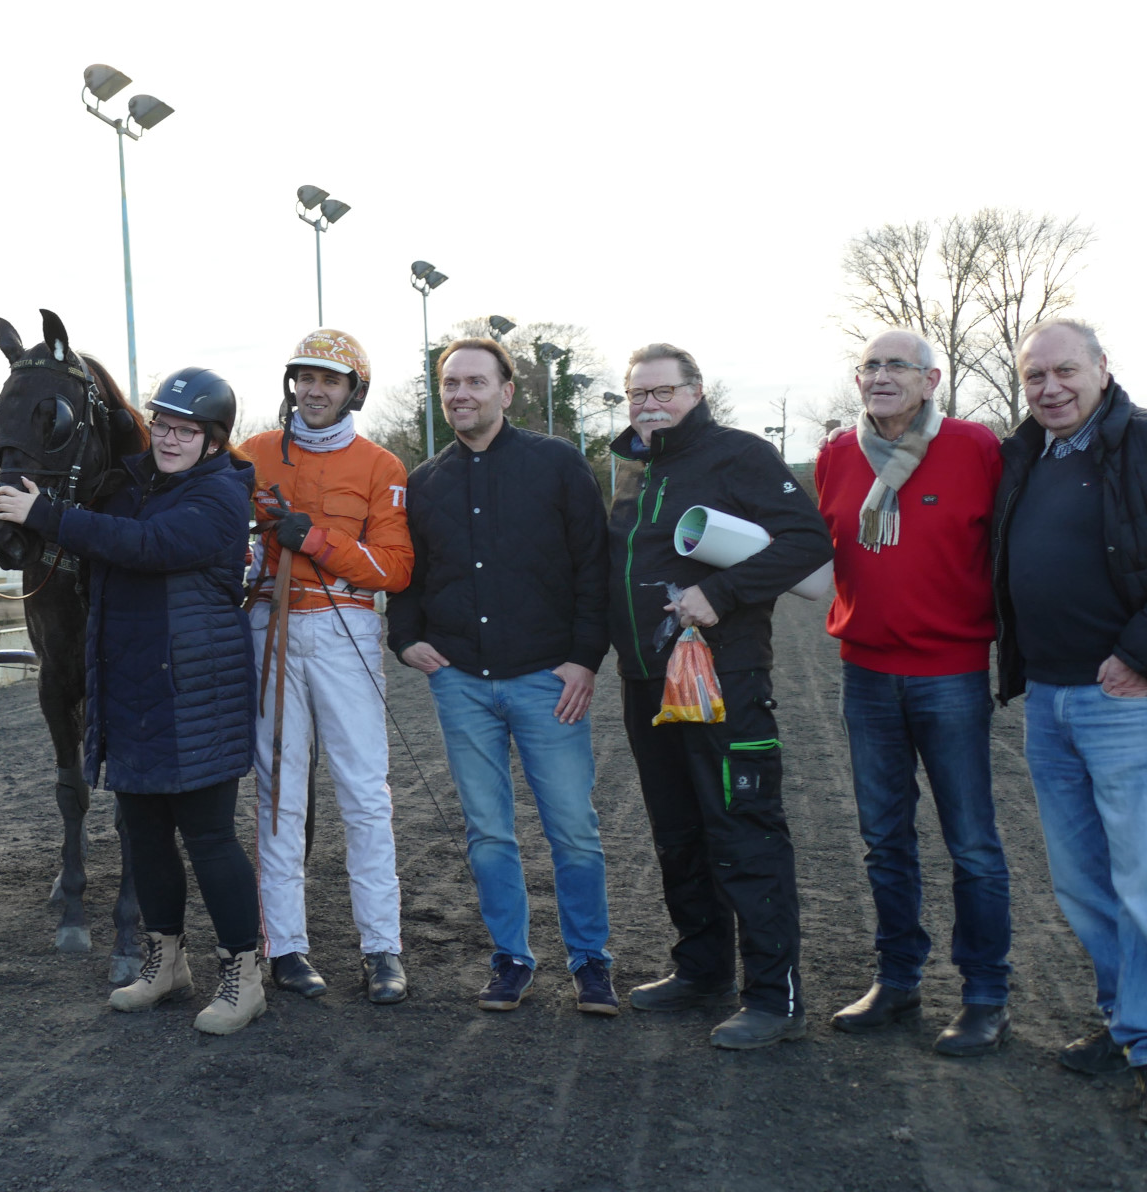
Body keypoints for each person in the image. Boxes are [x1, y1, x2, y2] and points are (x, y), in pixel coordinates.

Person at [0, 367, 264, 1034]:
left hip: (196, 691)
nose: (169, 439)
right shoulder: (128, 487)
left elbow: (144, 546)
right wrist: (17, 502)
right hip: (131, 687)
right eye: (162, 424)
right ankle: (166, 963)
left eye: (186, 430)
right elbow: (81, 514)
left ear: (214, 440)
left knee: (210, 839)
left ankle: (245, 976)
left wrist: (43, 514)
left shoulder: (221, 496)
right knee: (144, 836)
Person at [609, 342, 832, 1050]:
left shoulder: (739, 455)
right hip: (647, 684)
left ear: (696, 392)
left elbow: (807, 542)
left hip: (724, 681)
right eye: (637, 393)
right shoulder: (635, 472)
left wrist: (720, 592)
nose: (648, 404)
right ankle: (701, 970)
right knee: (678, 833)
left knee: (743, 831)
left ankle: (773, 998)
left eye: (662, 392)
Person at [388, 337, 616, 1017]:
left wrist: (585, 657)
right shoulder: (425, 482)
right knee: (487, 832)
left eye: (476, 382)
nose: (461, 394)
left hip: (549, 679)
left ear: (507, 391)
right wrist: (406, 639)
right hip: (461, 683)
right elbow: (410, 575)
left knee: (572, 829)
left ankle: (591, 962)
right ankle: (510, 958)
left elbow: (593, 566)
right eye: (450, 384)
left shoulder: (559, 464)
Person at [814, 330, 1011, 1056]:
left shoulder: (975, 448)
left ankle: (986, 995)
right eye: (869, 365)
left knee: (972, 843)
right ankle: (897, 980)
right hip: (865, 674)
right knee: (884, 839)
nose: (880, 375)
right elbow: (818, 548)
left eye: (897, 365)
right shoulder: (837, 456)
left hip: (950, 673)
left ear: (931, 380)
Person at [992, 320, 1147, 1111]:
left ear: (1102, 369)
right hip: (1048, 700)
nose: (1049, 388)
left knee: (1142, 879)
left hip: (1125, 700)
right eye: (1035, 377)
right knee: (1083, 882)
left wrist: (1140, 654)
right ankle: (1128, 1021)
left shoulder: (1139, 443)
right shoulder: (1027, 457)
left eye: (1065, 372)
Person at [238, 330, 414, 1004]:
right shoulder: (251, 454)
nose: (314, 391)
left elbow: (394, 569)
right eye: (305, 378)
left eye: (330, 381)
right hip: (269, 627)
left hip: (347, 632)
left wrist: (314, 538)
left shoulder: (381, 465)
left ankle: (382, 949)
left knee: (365, 796)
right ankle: (284, 946)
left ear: (352, 392)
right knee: (279, 793)